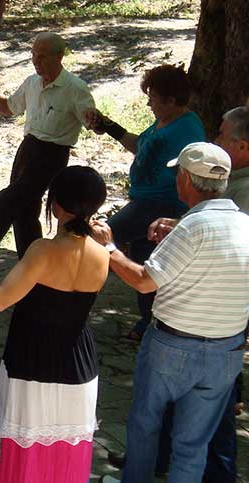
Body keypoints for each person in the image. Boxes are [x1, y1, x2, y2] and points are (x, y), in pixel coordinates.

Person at [0, 166, 109, 482]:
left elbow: (1, 299)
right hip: (80, 366)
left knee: (27, 461)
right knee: (68, 460)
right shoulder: (103, 255)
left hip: (33, 361)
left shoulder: (44, 250)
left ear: (55, 205)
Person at [91, 142, 249, 483]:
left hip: (173, 347)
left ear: (187, 180)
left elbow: (144, 281)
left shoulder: (192, 228)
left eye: (179, 173)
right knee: (193, 444)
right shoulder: (244, 225)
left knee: (146, 425)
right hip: (226, 351)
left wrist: (109, 247)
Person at [0, 32, 94, 279]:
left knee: (3, 203)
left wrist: (95, 120)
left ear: (59, 56)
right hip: (27, 149)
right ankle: (34, 269)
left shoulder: (76, 88)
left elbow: (91, 120)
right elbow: (8, 108)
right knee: (24, 213)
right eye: (33, 55)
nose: (36, 61)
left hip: (52, 155)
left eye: (42, 56)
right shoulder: (31, 83)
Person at [83, 64, 205, 341]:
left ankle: (67, 301)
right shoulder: (165, 120)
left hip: (160, 204)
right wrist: (108, 126)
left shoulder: (187, 130)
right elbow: (141, 146)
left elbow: (193, 173)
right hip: (144, 200)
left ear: (171, 100)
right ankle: (150, 322)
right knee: (144, 261)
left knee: (98, 241)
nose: (149, 104)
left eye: (153, 99)